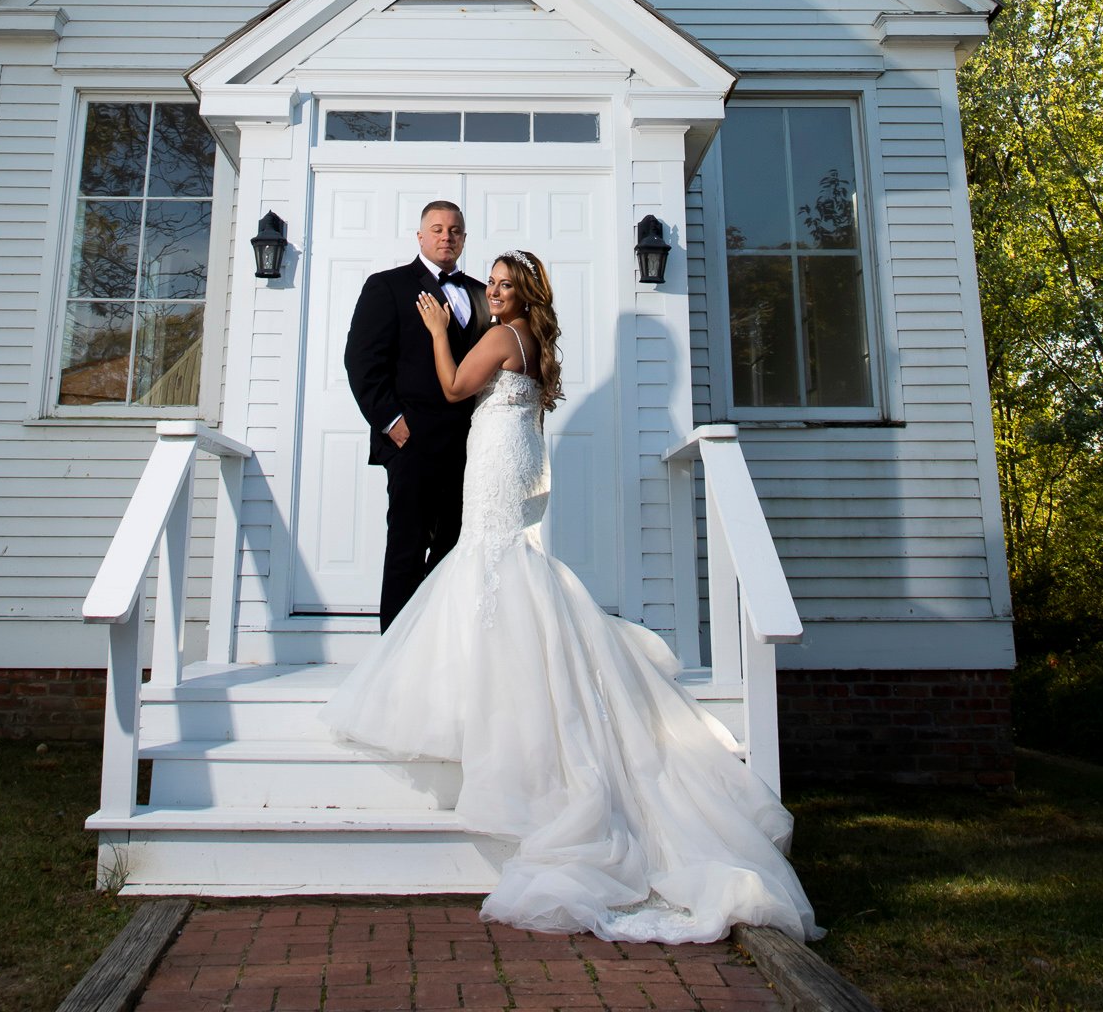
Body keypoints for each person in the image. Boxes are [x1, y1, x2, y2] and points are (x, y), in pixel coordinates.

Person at [324, 249, 819, 946]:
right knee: (501, 564)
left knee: (488, 562)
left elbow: (455, 388)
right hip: (513, 450)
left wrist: (439, 333)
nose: (492, 293)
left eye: (503, 285)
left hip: (496, 458)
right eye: (490, 285)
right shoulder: (535, 340)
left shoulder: (499, 336)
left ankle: (490, 686)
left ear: (523, 294)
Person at [344, 199, 492, 629]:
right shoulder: (387, 286)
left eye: (456, 230)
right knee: (407, 548)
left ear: (464, 238)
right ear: (421, 236)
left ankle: (438, 645)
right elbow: (362, 361)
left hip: (468, 445)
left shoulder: (482, 294)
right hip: (411, 442)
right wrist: (391, 422)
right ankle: (393, 653)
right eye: (438, 228)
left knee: (455, 546)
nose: (447, 236)